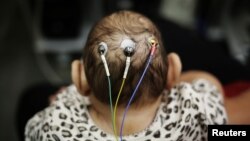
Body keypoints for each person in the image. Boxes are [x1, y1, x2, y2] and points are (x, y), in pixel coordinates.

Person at [25, 10, 227, 141]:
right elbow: (211, 86)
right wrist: (180, 82)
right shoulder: (194, 109)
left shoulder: (55, 124)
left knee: (31, 98)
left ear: (79, 77)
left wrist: (62, 102)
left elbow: (32, 132)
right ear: (173, 70)